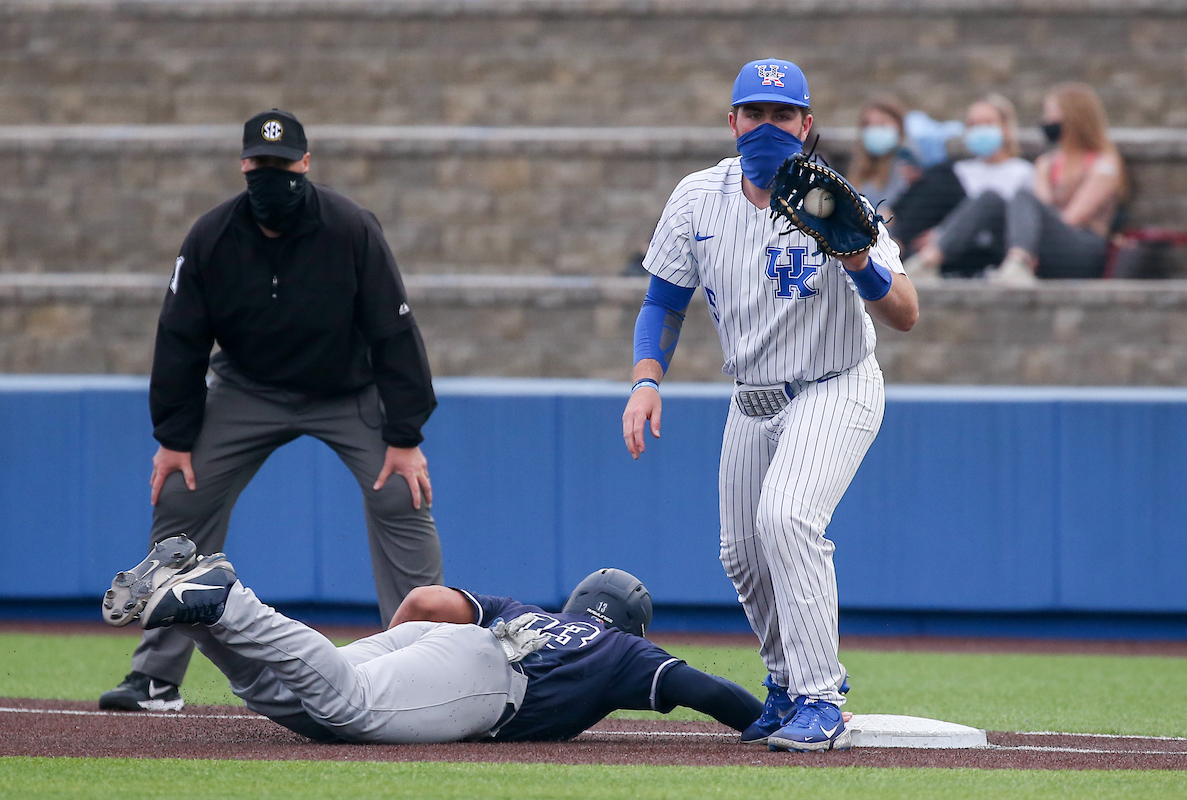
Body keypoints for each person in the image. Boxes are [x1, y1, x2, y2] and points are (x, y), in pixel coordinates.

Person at [100, 110, 444, 713]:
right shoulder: (211, 236)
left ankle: (426, 667)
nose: (272, 174)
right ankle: (155, 677)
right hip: (247, 388)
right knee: (181, 496)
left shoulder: (351, 228)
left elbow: (395, 332)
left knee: (400, 493)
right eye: (261, 163)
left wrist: (405, 435)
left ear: (306, 164)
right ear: (243, 165)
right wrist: (174, 438)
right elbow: (179, 337)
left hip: (347, 390)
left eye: (284, 164)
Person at [621, 58, 918, 753]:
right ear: (732, 122)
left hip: (834, 383)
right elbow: (663, 301)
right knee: (742, 554)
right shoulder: (698, 198)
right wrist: (644, 380)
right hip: (752, 397)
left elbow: (904, 312)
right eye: (753, 113)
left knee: (787, 519)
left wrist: (857, 259)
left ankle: (821, 698)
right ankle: (785, 682)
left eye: (782, 115)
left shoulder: (835, 199)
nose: (766, 125)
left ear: (806, 125)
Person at [101, 536, 765, 744]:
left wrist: (409, 657)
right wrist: (764, 722)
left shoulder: (526, 609)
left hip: (444, 636)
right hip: (490, 676)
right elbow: (697, 687)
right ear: (629, 620)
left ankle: (199, 611)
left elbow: (423, 601)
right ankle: (229, 599)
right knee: (347, 707)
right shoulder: (621, 651)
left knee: (298, 703)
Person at [989, 83, 1126, 284]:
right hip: (1051, 243)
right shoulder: (1047, 162)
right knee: (989, 200)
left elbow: (1073, 218)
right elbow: (1043, 207)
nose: (1046, 121)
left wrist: (1034, 231)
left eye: (1050, 113)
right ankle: (931, 261)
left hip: (1084, 249)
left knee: (1023, 197)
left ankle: (1018, 263)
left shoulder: (1104, 164)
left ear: (1073, 117)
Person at [902, 94, 1036, 278]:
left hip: (999, 246)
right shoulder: (958, 171)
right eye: (973, 125)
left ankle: (926, 262)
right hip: (961, 250)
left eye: (988, 123)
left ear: (1005, 128)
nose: (980, 130)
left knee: (989, 199)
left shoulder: (1023, 172)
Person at [846, 94, 921, 218]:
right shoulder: (858, 165)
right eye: (869, 125)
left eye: (882, 124)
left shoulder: (908, 162)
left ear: (899, 126)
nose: (875, 130)